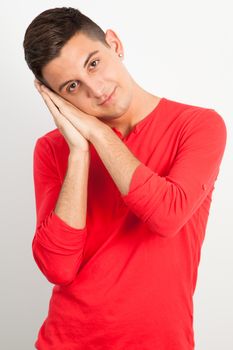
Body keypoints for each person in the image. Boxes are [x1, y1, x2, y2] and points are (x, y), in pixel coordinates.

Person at [23, 6, 227, 350]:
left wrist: (100, 136)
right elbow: (58, 268)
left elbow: (167, 215)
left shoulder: (199, 126)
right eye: (73, 86)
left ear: (114, 44)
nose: (96, 89)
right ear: (58, 98)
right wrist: (79, 151)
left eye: (93, 63)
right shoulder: (51, 150)